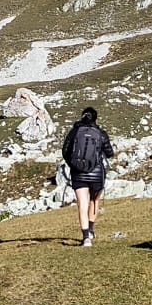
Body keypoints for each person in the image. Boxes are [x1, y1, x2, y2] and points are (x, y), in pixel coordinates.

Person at [61, 106, 114, 247]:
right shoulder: (100, 133)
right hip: (97, 173)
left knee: (82, 205)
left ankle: (86, 238)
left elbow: (65, 151)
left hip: (78, 174)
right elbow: (110, 153)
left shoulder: (75, 132)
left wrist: (73, 165)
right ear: (95, 118)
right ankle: (90, 229)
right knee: (94, 201)